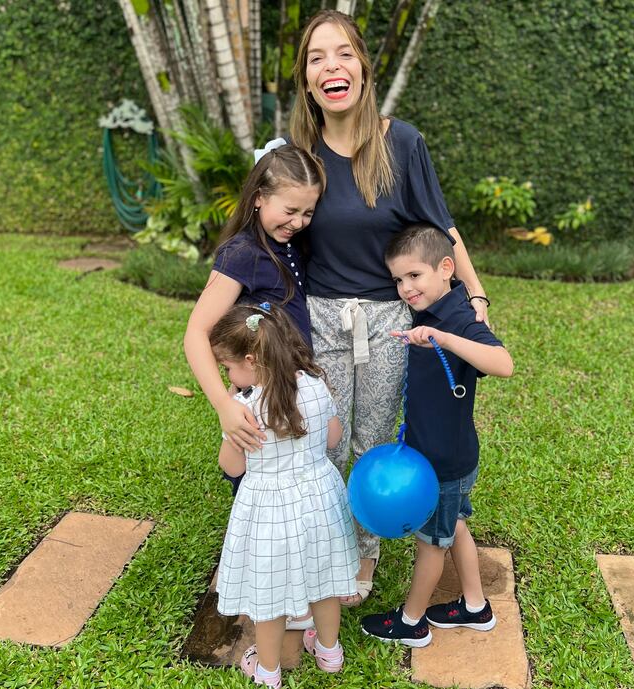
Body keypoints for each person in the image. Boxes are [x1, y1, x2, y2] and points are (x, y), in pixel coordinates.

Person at [285, 9, 492, 606]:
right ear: (307, 79)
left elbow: (440, 228)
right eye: (318, 57)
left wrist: (473, 295)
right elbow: (274, 234)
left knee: (371, 440)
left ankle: (360, 556)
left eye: (344, 53)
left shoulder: (401, 142)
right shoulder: (299, 153)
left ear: (363, 68)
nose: (333, 66)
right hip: (319, 315)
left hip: (387, 321)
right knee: (320, 440)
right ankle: (316, 548)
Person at [360, 224, 513, 646]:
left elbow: (503, 363)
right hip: (440, 454)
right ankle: (475, 606)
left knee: (431, 543)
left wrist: (443, 337)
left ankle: (411, 622)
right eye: (398, 280)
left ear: (446, 268)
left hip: (444, 460)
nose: (405, 288)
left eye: (414, 276)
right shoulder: (428, 312)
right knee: (455, 526)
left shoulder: (459, 318)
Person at [209, 303, 359, 687]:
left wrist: (229, 403)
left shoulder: (243, 408)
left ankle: (268, 671)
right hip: (321, 499)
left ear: (249, 360)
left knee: (269, 596)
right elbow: (334, 438)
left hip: (269, 511)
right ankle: (329, 652)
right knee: (325, 582)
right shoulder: (313, 385)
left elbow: (232, 467)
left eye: (228, 368)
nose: (228, 375)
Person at [184, 143, 325, 495]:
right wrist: (224, 405)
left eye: (308, 213)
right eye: (290, 210)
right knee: (251, 481)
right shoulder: (242, 253)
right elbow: (196, 332)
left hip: (290, 388)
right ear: (260, 197)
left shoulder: (293, 244)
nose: (298, 222)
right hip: (257, 394)